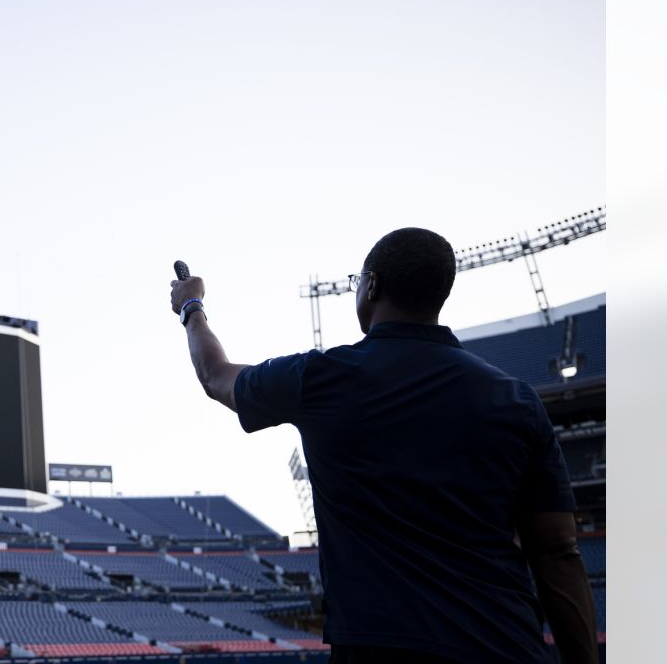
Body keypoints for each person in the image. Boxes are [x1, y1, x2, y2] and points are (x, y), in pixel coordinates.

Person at [169, 227, 598, 664]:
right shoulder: (517, 399)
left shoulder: (322, 378)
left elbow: (216, 376)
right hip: (505, 644)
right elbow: (558, 551)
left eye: (358, 281)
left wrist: (191, 306)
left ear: (371, 286)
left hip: (381, 647)